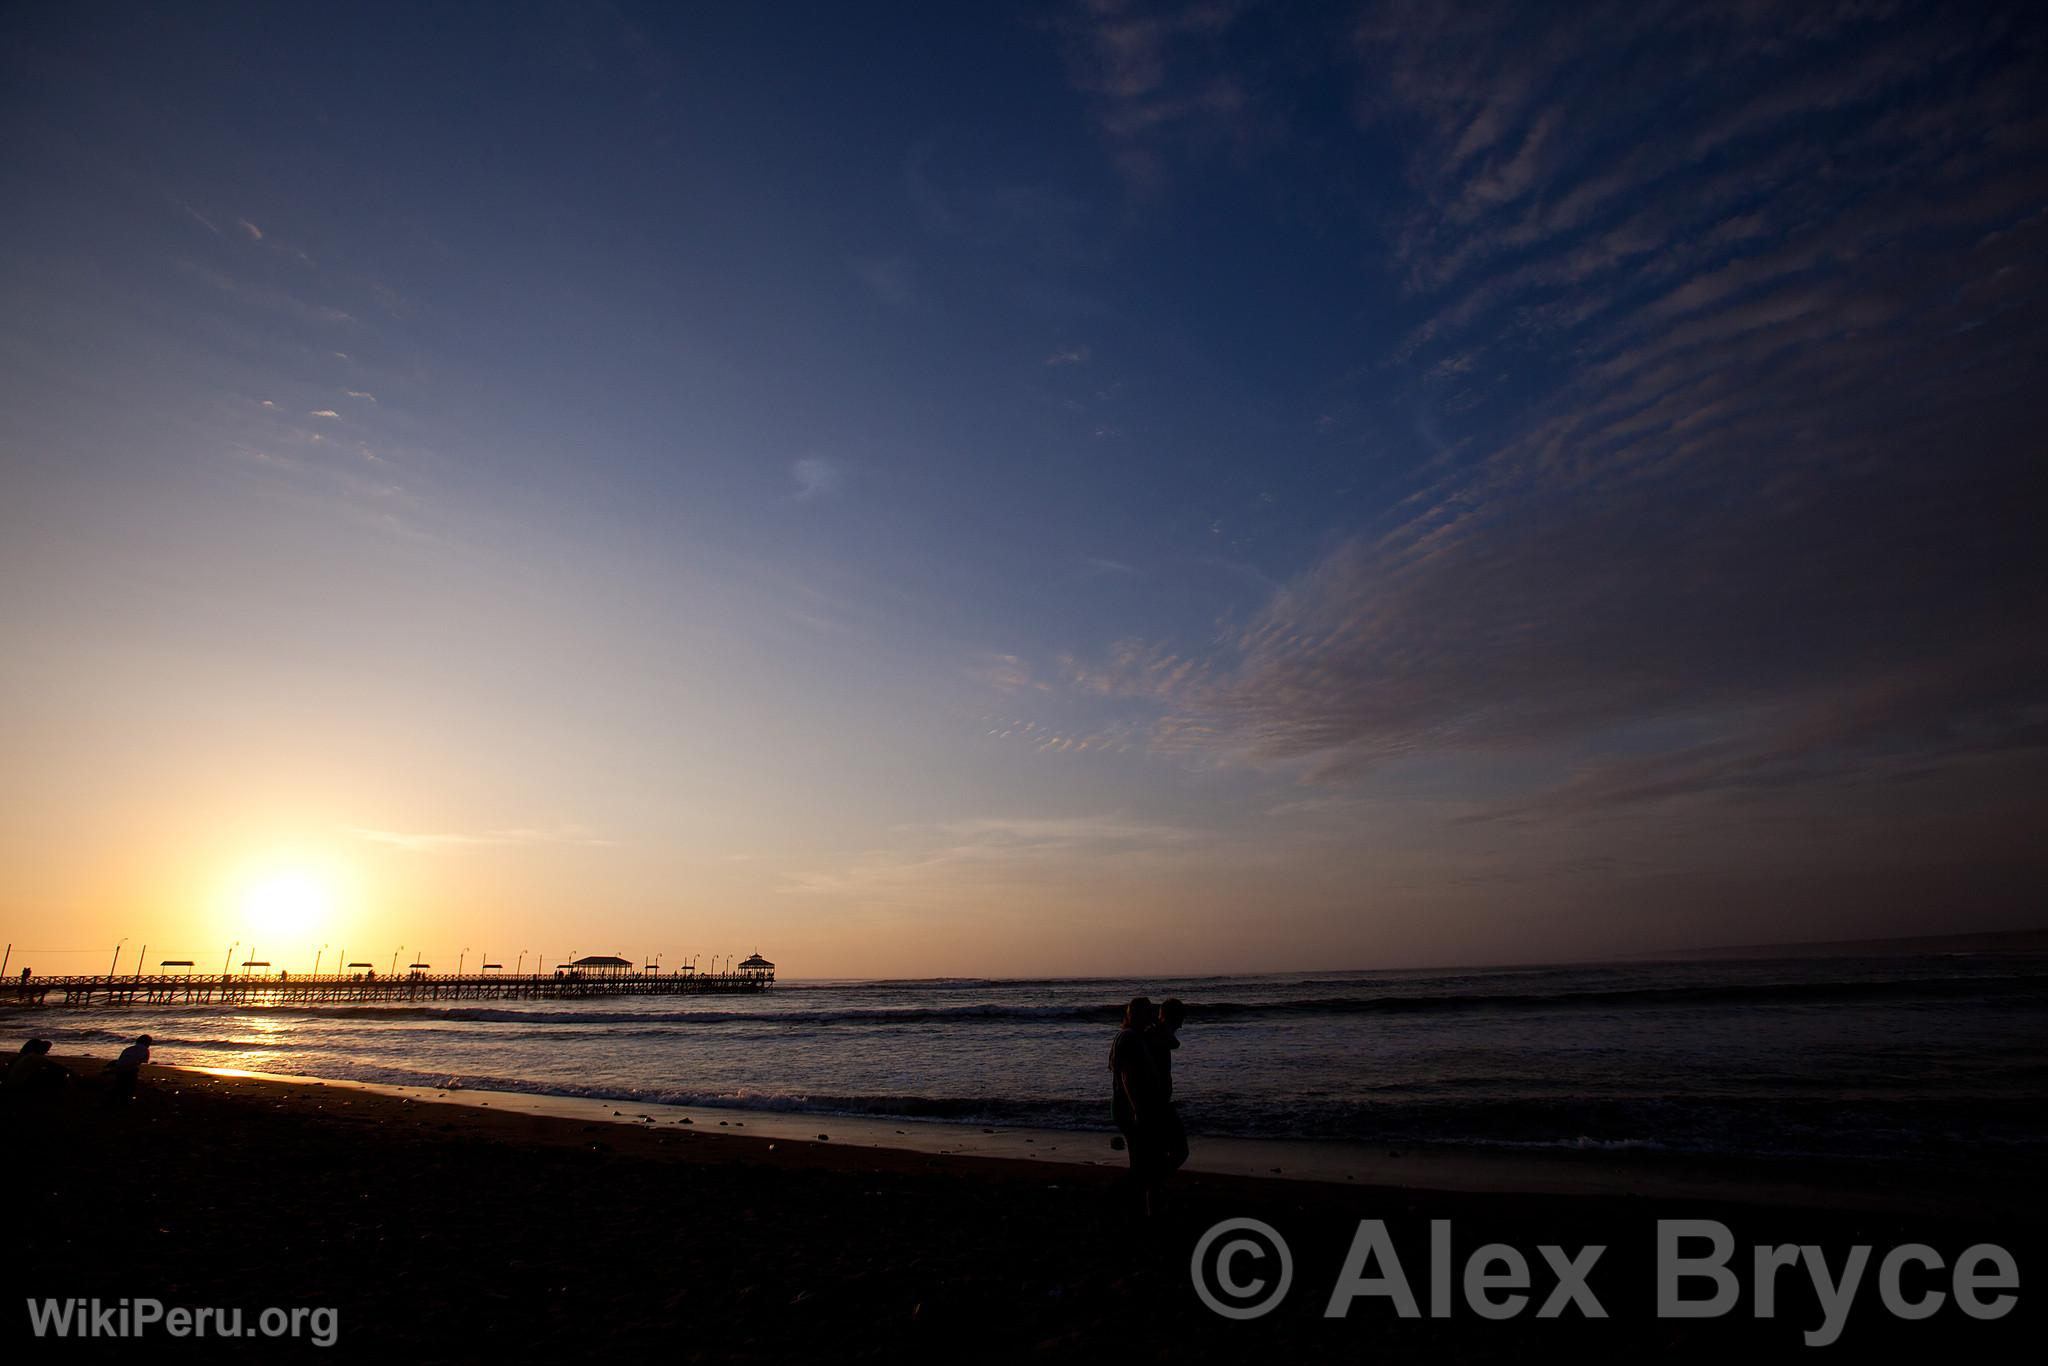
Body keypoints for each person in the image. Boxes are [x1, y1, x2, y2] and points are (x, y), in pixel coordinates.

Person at [1109, 996, 1165, 1215]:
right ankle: (1126, 1201)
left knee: (1141, 1160)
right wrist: (1138, 1110)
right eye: (1149, 1012)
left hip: (1127, 1107)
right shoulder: (1131, 1038)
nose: (1152, 1016)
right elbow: (1127, 1077)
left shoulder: (1127, 1036)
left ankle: (1137, 1206)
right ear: (1139, 1014)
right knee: (1144, 1162)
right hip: (1131, 1108)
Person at [1149, 998, 1190, 1174]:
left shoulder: (1156, 1033)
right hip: (1156, 1105)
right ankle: (1153, 1180)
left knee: (1161, 1153)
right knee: (1179, 1151)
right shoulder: (1156, 1035)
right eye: (1179, 1020)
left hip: (1158, 1103)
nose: (1180, 1026)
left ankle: (1153, 1184)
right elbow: (1175, 1044)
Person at [4, 1038, 68, 1098]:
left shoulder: (26, 1057)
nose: (45, 1053)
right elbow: (55, 1066)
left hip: (12, 1084)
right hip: (19, 1086)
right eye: (46, 1050)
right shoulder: (35, 1057)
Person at [106, 1033, 151, 1104]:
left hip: (119, 1067)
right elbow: (143, 1062)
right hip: (130, 1069)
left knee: (120, 1084)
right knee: (130, 1085)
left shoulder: (128, 1049)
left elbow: (121, 1059)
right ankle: (126, 1100)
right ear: (148, 1043)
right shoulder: (145, 1050)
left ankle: (116, 1098)